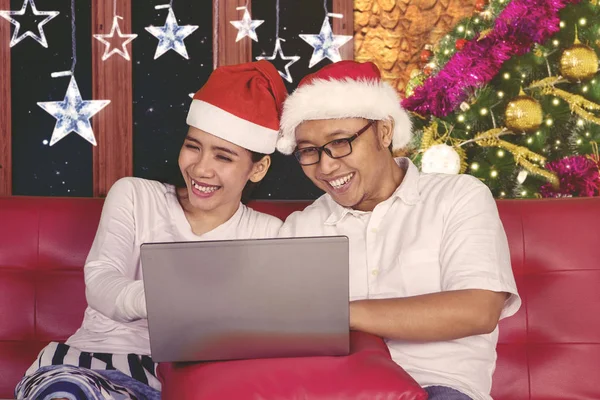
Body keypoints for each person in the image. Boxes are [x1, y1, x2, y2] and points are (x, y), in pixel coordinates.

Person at [15, 60, 288, 400]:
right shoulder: (134, 194)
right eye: (193, 146)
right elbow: (101, 281)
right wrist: (167, 300)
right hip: (91, 364)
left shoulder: (269, 233)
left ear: (258, 168)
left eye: (223, 157)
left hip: (192, 379)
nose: (201, 168)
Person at [276, 60, 520, 400]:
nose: (327, 165)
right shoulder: (302, 227)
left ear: (385, 131)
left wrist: (340, 313)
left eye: (341, 142)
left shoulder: (457, 197)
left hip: (438, 388)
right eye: (309, 152)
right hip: (337, 389)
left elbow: (478, 310)